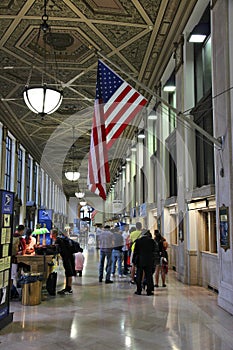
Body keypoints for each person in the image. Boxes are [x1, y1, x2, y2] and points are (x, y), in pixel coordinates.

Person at [51, 228, 76, 295]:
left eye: (51, 233)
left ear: (54, 234)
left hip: (67, 257)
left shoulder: (58, 240)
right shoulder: (61, 238)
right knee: (68, 272)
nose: (50, 235)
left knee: (68, 272)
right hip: (69, 256)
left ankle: (69, 289)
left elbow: (55, 250)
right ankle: (67, 288)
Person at [133, 229, 156, 296]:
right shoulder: (151, 241)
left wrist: (134, 261)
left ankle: (139, 290)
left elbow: (135, 252)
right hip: (149, 260)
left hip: (140, 260)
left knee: (139, 276)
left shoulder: (138, 241)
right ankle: (149, 291)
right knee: (149, 276)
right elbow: (153, 250)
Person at [11, 224, 26, 298]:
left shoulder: (11, 235)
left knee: (11, 276)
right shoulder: (20, 238)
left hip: (8, 259)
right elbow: (23, 249)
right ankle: (14, 292)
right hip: (15, 259)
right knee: (14, 276)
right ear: (22, 230)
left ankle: (11, 292)